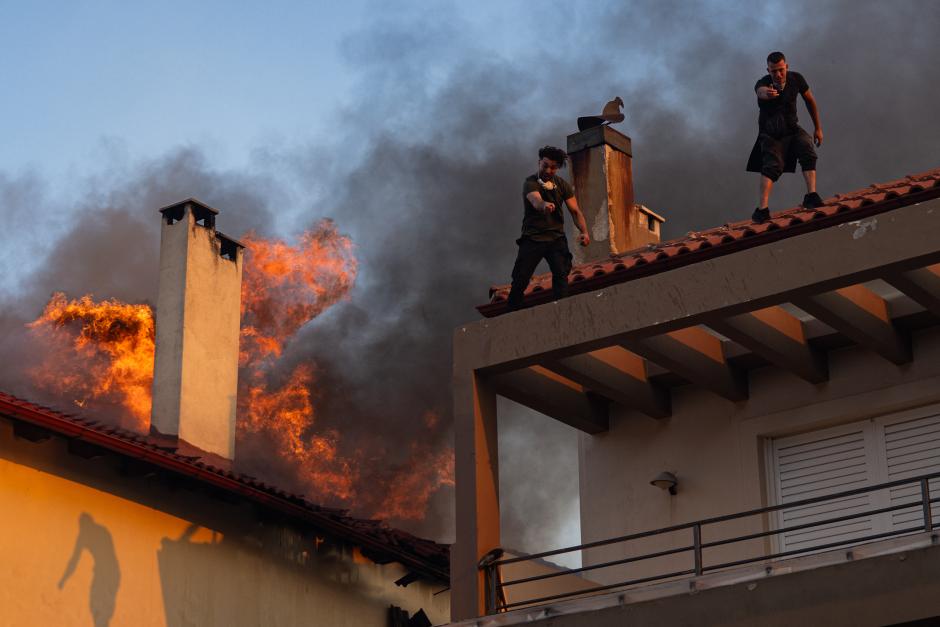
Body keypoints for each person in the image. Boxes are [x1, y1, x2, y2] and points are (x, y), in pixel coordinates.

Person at [506, 145, 590, 311]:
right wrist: (544, 205)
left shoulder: (562, 185)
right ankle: (512, 312)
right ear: (539, 163)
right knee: (521, 277)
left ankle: (562, 308)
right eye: (545, 166)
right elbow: (535, 200)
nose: (548, 170)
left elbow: (575, 211)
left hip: (556, 239)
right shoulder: (530, 182)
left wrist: (584, 232)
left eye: (553, 168)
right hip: (533, 238)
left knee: (561, 273)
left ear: (557, 168)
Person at [746, 51, 824, 223]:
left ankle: (811, 195)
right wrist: (767, 93)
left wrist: (818, 128)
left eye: (781, 70)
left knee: (807, 149)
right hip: (771, 134)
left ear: (786, 67)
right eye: (774, 71)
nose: (778, 75)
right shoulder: (764, 83)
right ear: (768, 70)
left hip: (792, 129)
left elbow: (810, 101)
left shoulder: (796, 79)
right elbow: (760, 91)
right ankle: (762, 209)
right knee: (772, 166)